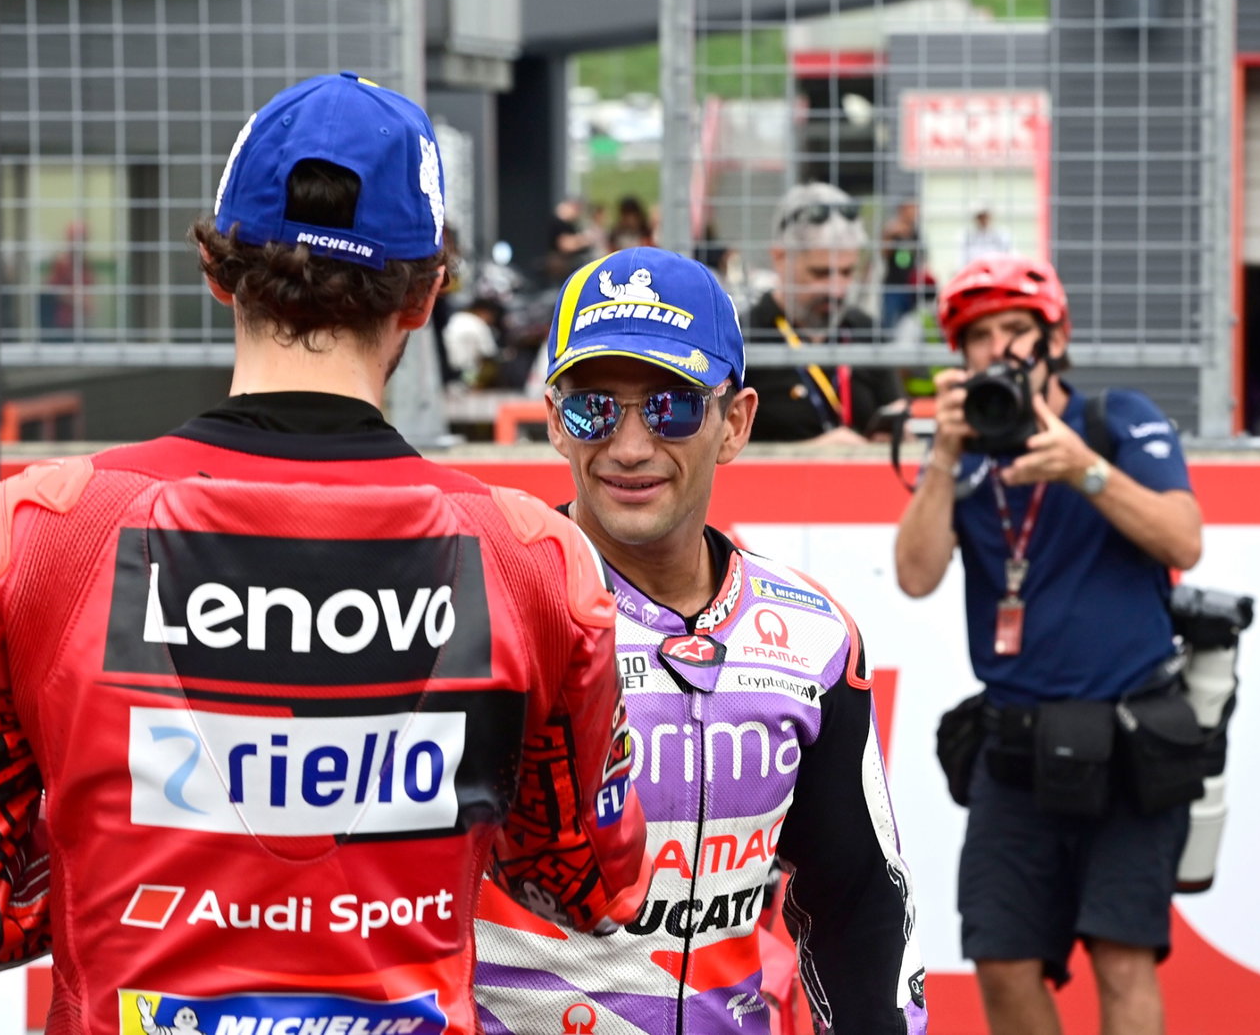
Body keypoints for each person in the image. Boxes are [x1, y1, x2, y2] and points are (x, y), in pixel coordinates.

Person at [0, 72, 651, 1035]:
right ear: (425, 296)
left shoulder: (37, 530)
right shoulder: (534, 558)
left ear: (217, 270)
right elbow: (589, 889)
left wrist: (109, 859)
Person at [474, 245, 928, 1035]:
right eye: (593, 407)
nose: (629, 447)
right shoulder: (487, 608)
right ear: (552, 421)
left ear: (735, 423)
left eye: (671, 406)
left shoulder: (812, 636)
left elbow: (858, 905)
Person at [894, 255, 1203, 1035]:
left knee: (1121, 958)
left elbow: (1183, 539)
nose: (999, 349)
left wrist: (1086, 470)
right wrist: (943, 456)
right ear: (958, 358)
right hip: (1015, 748)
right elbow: (915, 574)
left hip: (1129, 742)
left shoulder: (1116, 419)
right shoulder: (963, 456)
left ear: (1054, 338)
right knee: (1000, 963)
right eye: (979, 336)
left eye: (1016, 331)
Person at [745, 182, 906, 444]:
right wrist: (809, 456)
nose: (837, 290)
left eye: (847, 272)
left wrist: (896, 440)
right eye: (821, 273)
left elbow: (896, 416)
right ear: (780, 258)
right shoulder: (743, 338)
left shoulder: (866, 331)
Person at [879, 199, 928, 336]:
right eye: (911, 209)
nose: (914, 213)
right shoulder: (892, 230)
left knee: (909, 325)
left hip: (911, 287)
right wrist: (890, 235)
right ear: (902, 210)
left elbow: (922, 258)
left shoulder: (916, 232)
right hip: (893, 286)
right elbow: (883, 253)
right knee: (889, 326)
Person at [442, 295, 505, 388]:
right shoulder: (480, 325)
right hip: (463, 372)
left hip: (444, 367)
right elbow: (490, 353)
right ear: (484, 312)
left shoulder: (457, 317)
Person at [960, 202, 1013, 268]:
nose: (983, 220)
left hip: (996, 270)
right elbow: (963, 258)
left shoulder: (1001, 234)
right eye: (980, 217)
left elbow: (1007, 255)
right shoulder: (968, 236)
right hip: (975, 270)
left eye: (985, 216)